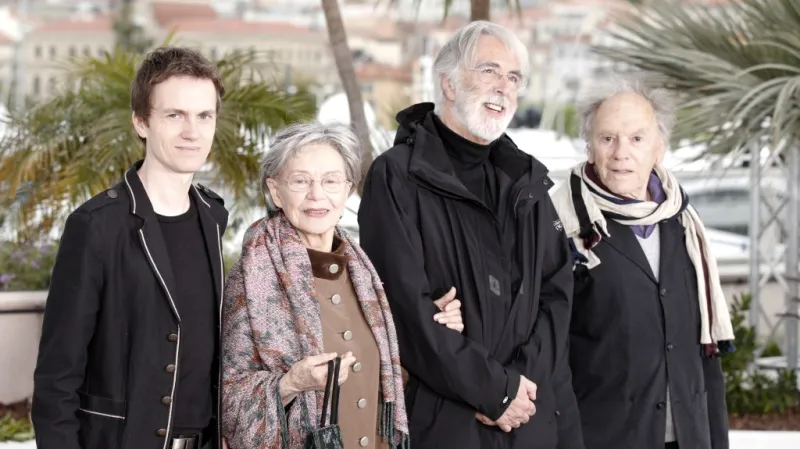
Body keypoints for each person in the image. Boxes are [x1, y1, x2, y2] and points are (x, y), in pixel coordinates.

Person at [357, 21, 584, 449]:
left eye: (513, 77)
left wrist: (518, 386)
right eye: (488, 71)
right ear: (447, 83)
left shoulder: (526, 181)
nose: (503, 87)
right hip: (445, 426)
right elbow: (404, 309)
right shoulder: (398, 176)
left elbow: (557, 294)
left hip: (529, 420)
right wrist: (493, 390)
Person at [220, 122, 464, 449]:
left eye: (331, 181)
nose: (316, 194)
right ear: (276, 191)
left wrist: (433, 321)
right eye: (300, 180)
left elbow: (390, 368)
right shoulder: (252, 277)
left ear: (347, 190)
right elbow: (230, 401)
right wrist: (292, 383)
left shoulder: (364, 274)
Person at [31, 47, 230, 449]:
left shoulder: (214, 215)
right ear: (141, 122)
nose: (192, 132)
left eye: (204, 116)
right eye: (174, 115)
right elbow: (57, 378)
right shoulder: (96, 225)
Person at [551, 73, 734, 449]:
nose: (621, 153)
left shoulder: (684, 223)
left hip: (689, 436)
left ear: (659, 148)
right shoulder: (565, 225)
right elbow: (550, 355)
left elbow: (705, 355)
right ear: (590, 147)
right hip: (604, 438)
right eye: (607, 138)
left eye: (637, 138)